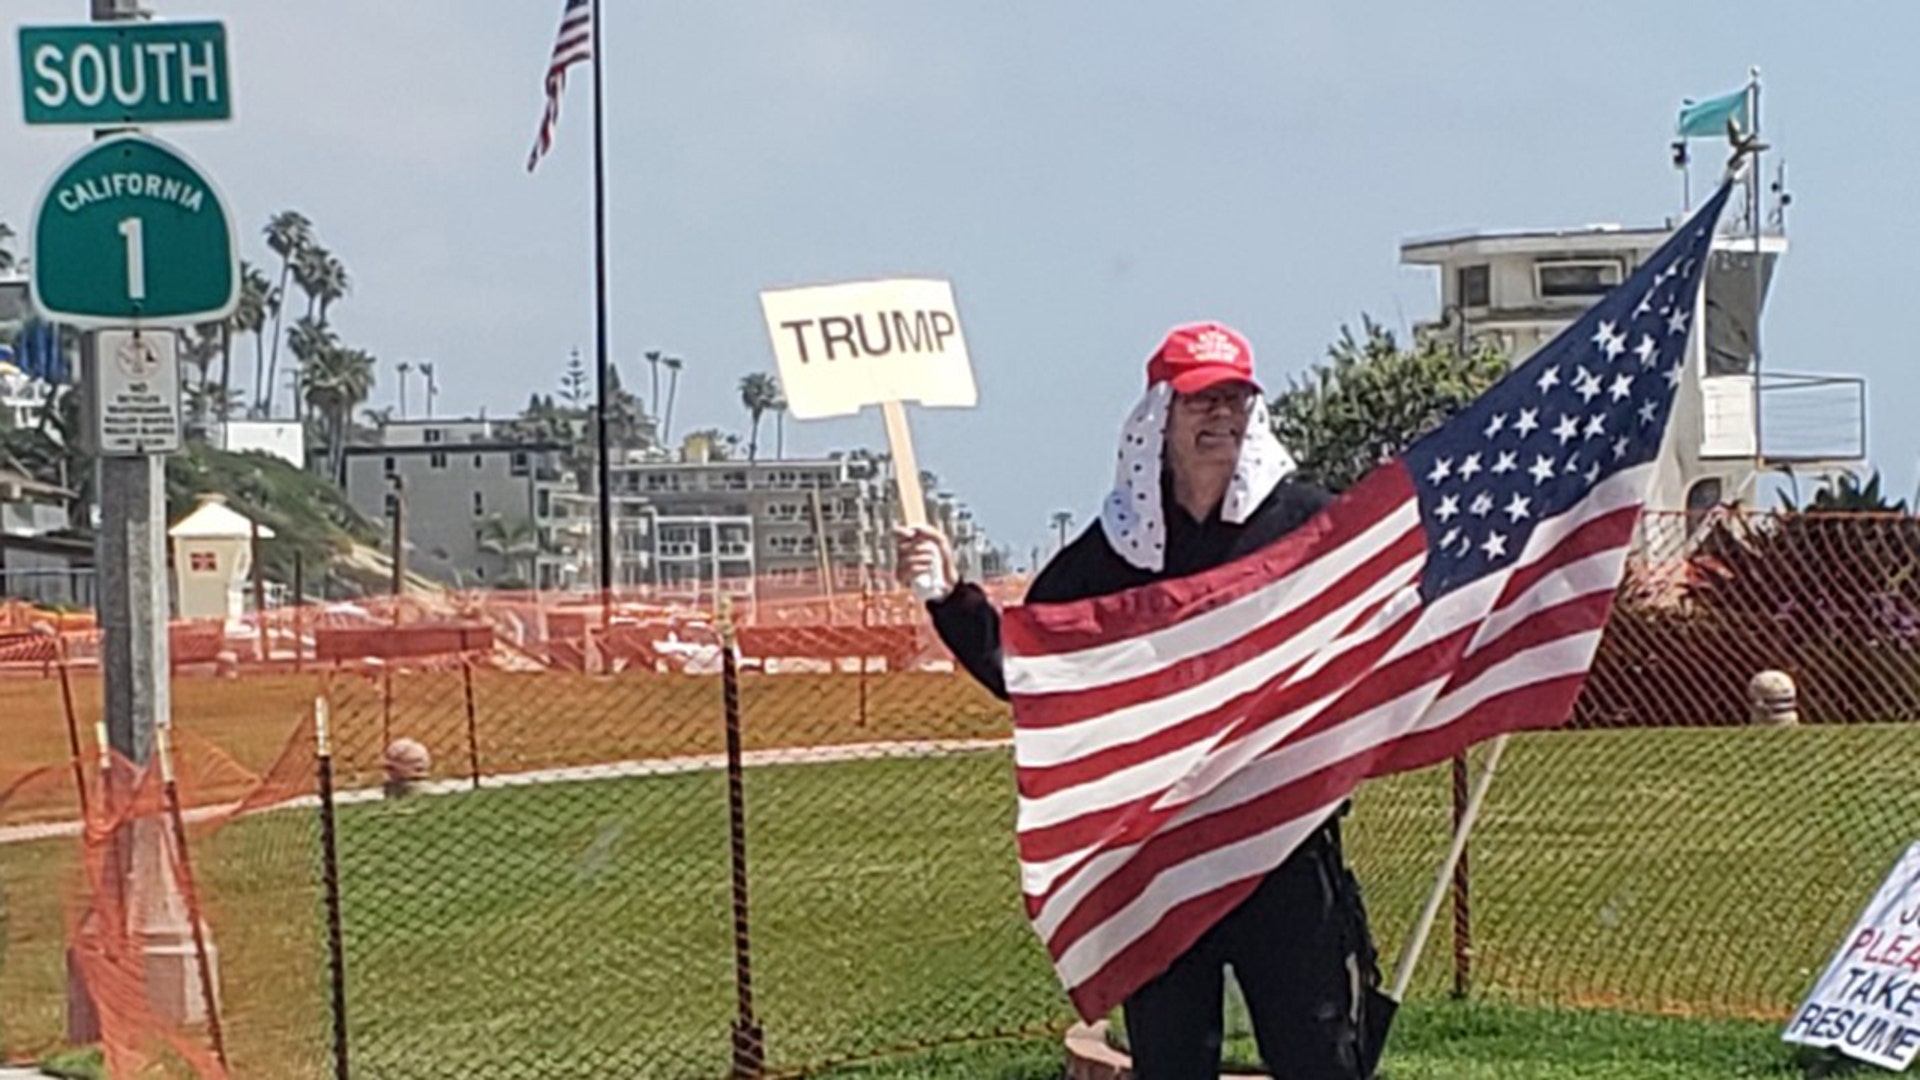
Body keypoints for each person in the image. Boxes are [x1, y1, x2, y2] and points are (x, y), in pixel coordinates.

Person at [896, 322, 1392, 1079]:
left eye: (1234, 399)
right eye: (1201, 402)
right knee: (1170, 1063)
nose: (1220, 417)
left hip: (1286, 853)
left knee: (1320, 1060)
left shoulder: (1310, 526)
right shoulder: (1110, 554)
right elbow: (1033, 670)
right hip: (1158, 866)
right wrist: (946, 596)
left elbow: (1383, 620)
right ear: (1158, 416)